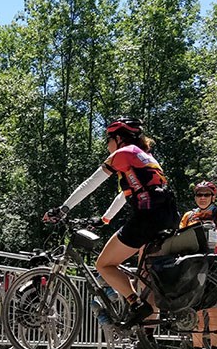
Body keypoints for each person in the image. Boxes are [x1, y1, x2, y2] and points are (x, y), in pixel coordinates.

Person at [43, 116, 177, 326]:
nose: (107, 144)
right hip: (167, 217)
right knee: (147, 274)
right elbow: (125, 195)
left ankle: (135, 304)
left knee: (104, 264)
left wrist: (63, 209)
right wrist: (105, 219)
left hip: (147, 218)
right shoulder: (144, 156)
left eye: (108, 139)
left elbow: (91, 182)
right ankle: (147, 337)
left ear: (119, 138)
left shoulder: (123, 153)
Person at [178, 180, 217, 349]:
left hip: (214, 263)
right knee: (196, 309)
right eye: (199, 195)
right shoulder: (188, 216)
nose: (202, 198)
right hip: (193, 264)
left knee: (214, 308)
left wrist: (209, 239)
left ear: (213, 196)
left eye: (206, 194)